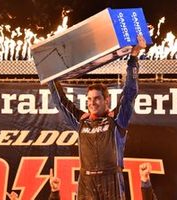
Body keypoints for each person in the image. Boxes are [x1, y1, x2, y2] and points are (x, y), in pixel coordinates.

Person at [48, 35, 146, 199]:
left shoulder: (117, 119)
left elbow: (130, 93)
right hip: (86, 181)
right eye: (89, 100)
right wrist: (51, 77)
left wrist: (134, 58)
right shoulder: (82, 121)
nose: (92, 103)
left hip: (111, 179)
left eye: (97, 99)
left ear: (106, 100)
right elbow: (61, 102)